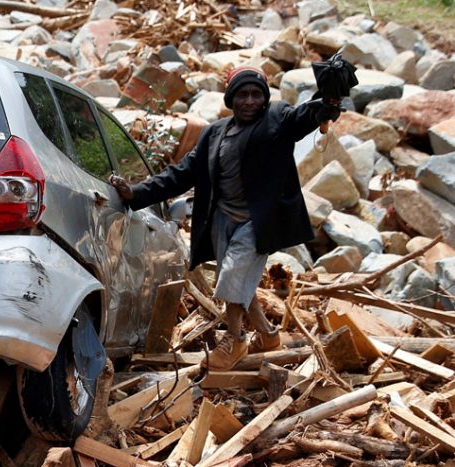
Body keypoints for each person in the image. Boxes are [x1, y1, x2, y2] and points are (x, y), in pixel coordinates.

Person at [110, 66, 341, 370]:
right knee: (236, 280)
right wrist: (136, 193)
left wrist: (330, 99)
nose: (249, 101)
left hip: (257, 222)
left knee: (232, 276)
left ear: (264, 98)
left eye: (256, 94)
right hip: (221, 219)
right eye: (242, 95)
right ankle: (269, 336)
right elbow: (182, 174)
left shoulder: (276, 118)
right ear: (231, 99)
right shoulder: (214, 133)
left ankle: (235, 340)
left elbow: (305, 116)